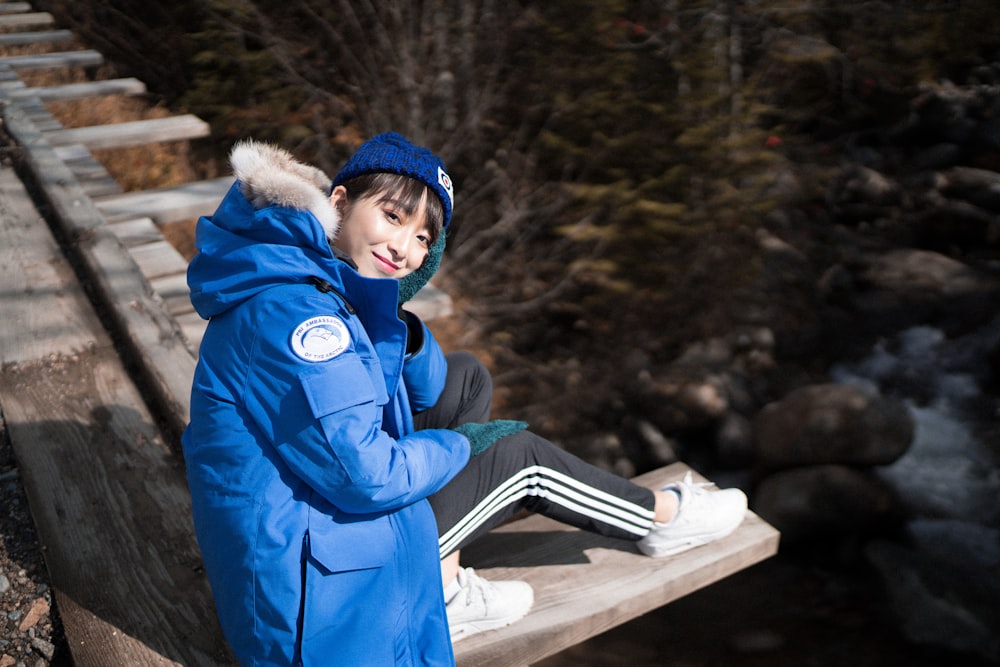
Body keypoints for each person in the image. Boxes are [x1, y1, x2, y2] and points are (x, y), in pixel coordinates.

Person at [182, 133, 748, 666]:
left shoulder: (308, 277)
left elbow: (419, 390)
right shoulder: (298, 318)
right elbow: (364, 477)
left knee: (466, 376)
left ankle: (445, 580)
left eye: (423, 239)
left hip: (309, 533)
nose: (404, 248)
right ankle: (660, 520)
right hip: (313, 598)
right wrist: (453, 447)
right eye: (393, 216)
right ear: (338, 202)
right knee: (519, 460)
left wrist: (391, 309)